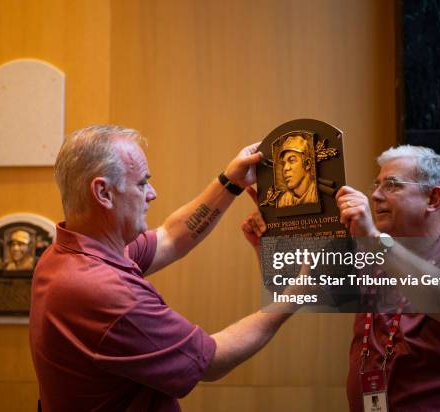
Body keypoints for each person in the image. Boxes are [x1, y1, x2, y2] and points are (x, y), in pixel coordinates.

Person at [29, 125, 306, 412]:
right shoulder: (104, 292)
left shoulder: (66, 254)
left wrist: (231, 182)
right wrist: (298, 293)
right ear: (104, 193)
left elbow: (171, 239)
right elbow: (211, 361)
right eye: (141, 183)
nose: (152, 194)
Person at [242, 145, 440, 411]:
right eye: (376, 185)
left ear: (433, 199)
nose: (375, 196)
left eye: (392, 185)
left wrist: (374, 240)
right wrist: (267, 244)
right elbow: (298, 293)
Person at [275, 134, 318, 207]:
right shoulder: (283, 201)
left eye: (292, 160)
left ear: (307, 164)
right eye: (283, 163)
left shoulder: (316, 194)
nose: (285, 168)